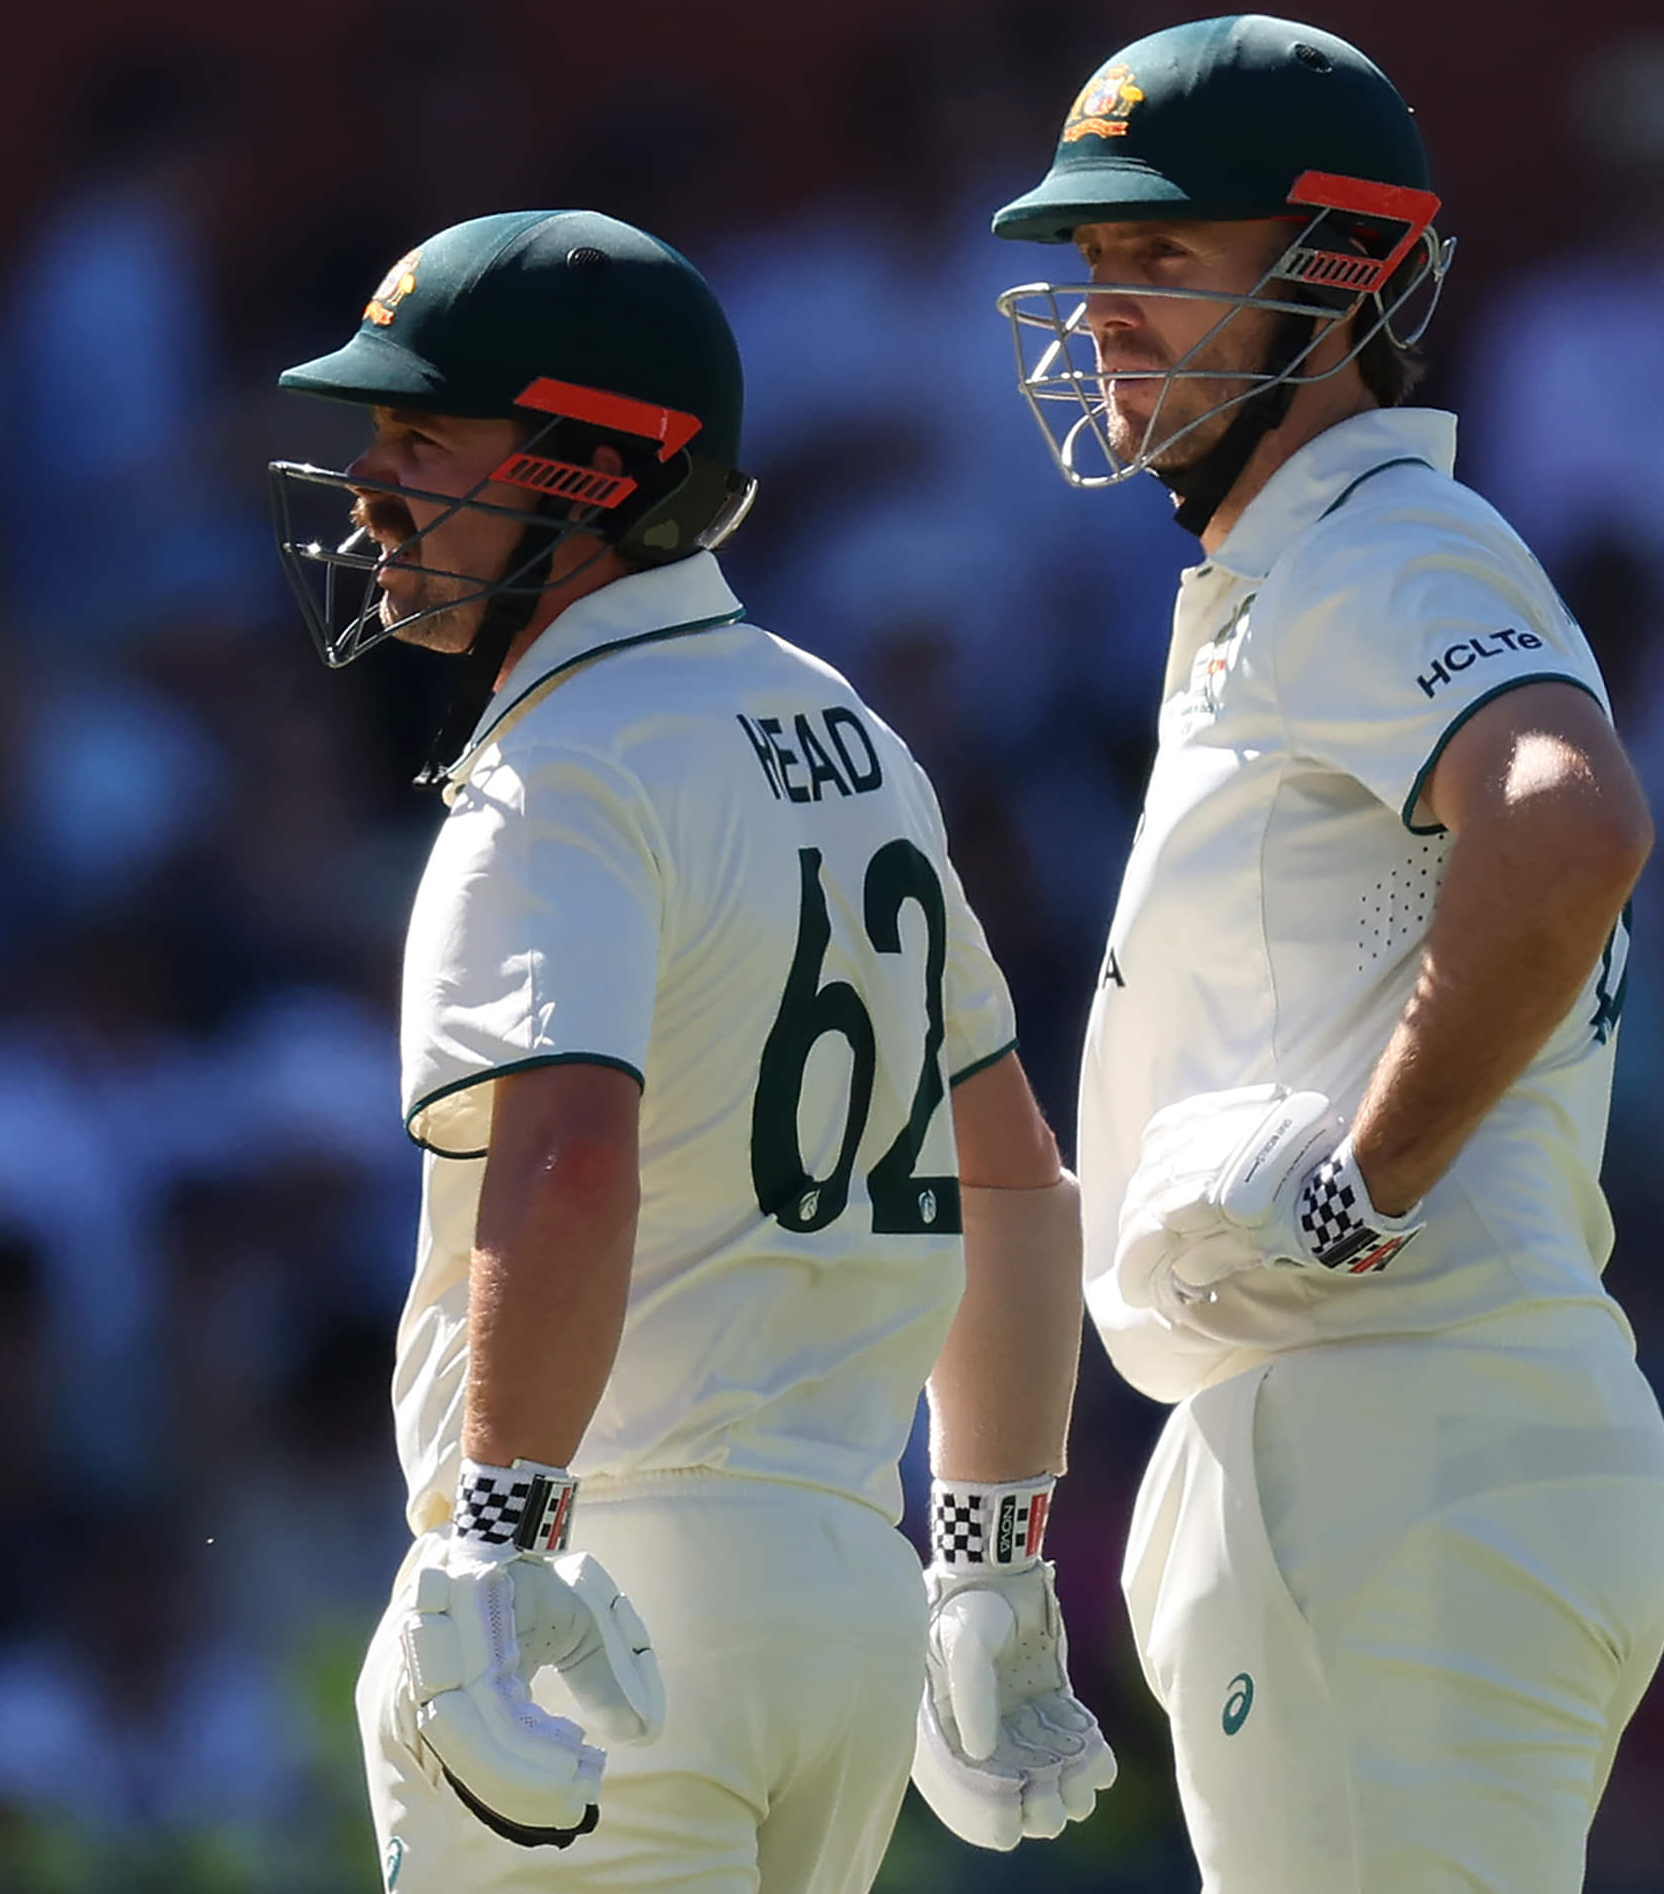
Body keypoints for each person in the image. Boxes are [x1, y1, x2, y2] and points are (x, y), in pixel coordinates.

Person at [261, 210, 1113, 1890]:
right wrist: (993, 1562)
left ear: (587, 470)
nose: (370, 485)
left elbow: (571, 1156)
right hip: (844, 1606)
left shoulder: (559, 769)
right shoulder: (848, 727)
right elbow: (1012, 1179)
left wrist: (496, 1544)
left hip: (598, 1591)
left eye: (423, 438)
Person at [990, 16, 1664, 1890]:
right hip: (1402, 1440)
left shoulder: (1380, 545)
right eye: (1095, 261)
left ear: (1343, 280)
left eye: (1166, 257)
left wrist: (1360, 1188)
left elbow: (1571, 825)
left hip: (1397, 1424)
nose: (1107, 305)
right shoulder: (1299, 569)